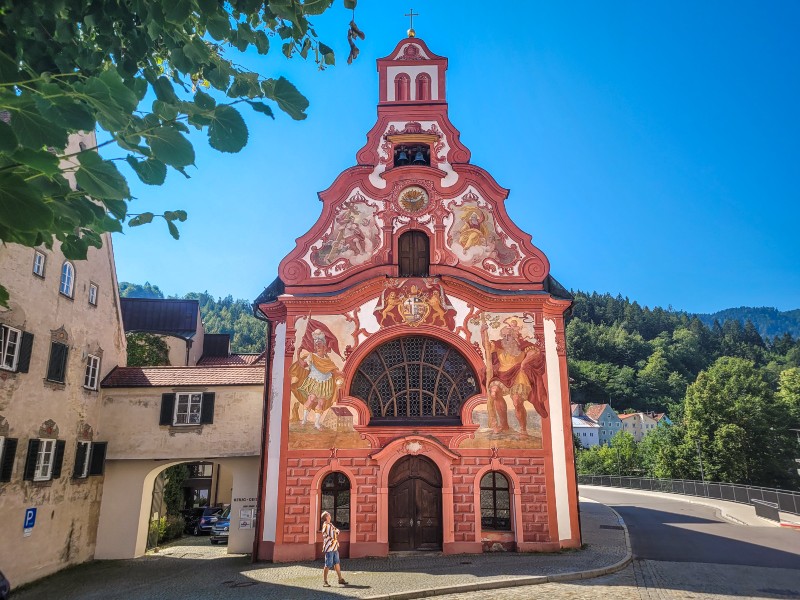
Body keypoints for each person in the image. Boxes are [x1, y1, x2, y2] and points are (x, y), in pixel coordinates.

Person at [481, 320, 548, 436]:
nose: (507, 338)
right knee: (495, 392)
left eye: (509, 336)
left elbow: (535, 352)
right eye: (504, 336)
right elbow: (486, 347)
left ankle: (523, 429)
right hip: (501, 374)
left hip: (518, 374)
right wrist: (483, 333)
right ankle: (504, 425)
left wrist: (524, 362)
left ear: (514, 335)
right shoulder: (498, 345)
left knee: (517, 401)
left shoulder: (522, 345)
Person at [321, 511, 348, 587]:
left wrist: (336, 531)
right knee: (328, 564)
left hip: (334, 547)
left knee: (336, 563)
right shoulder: (327, 526)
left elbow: (337, 530)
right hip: (329, 548)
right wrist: (336, 532)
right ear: (326, 517)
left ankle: (340, 579)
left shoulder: (330, 524)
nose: (330, 515)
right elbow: (334, 534)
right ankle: (325, 581)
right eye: (329, 514)